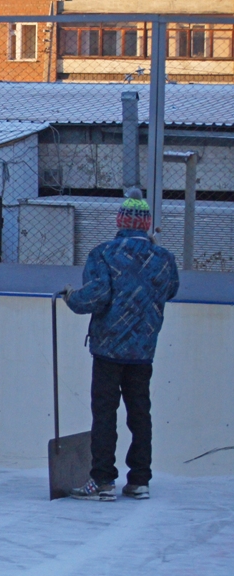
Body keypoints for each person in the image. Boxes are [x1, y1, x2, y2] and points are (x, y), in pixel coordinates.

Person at [65, 189, 180, 501]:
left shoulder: (104, 253)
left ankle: (103, 480)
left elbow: (96, 295)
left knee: (105, 412)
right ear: (146, 224)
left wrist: (70, 297)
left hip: (108, 349)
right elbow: (170, 291)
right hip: (143, 350)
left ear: (120, 220)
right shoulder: (164, 258)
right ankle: (139, 479)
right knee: (140, 412)